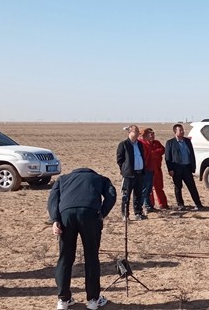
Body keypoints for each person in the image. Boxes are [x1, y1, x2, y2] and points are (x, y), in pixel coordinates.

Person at [47, 167, 116, 310]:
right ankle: (93, 300)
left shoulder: (63, 179)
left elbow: (52, 198)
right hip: (90, 214)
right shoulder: (99, 179)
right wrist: (102, 213)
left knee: (65, 258)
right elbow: (111, 194)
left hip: (66, 215)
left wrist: (55, 219)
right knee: (91, 257)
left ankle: (63, 300)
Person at [165, 123, 204, 211]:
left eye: (183, 130)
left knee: (192, 186)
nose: (182, 132)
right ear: (175, 132)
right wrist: (170, 169)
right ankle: (180, 205)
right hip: (176, 169)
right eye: (180, 130)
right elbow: (167, 157)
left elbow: (192, 154)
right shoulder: (170, 143)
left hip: (187, 168)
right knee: (178, 187)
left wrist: (193, 166)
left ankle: (198, 204)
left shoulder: (187, 141)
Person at [116, 125, 147, 220]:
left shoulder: (140, 144)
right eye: (135, 131)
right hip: (129, 174)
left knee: (138, 194)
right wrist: (124, 169)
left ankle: (138, 213)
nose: (138, 133)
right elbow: (120, 159)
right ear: (130, 132)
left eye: (138, 132)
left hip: (139, 173)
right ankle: (125, 214)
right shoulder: (124, 144)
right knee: (126, 195)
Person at [139, 128, 168, 211]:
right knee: (149, 188)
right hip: (148, 169)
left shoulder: (156, 143)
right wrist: (153, 153)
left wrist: (154, 153)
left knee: (159, 187)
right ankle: (150, 204)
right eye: (150, 134)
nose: (152, 136)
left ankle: (163, 204)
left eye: (153, 134)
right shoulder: (142, 143)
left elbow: (162, 150)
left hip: (157, 169)